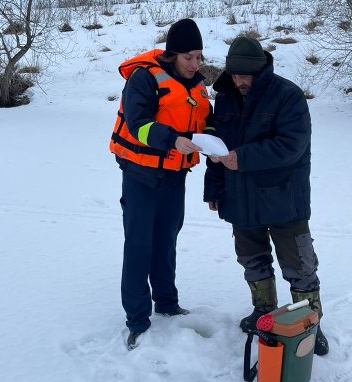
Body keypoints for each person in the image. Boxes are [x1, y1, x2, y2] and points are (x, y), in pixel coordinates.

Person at [203, 37, 329, 355]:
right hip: (239, 198)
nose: (239, 80)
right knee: (252, 260)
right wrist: (214, 188)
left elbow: (291, 146)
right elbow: (216, 147)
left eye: (245, 75)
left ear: (261, 70)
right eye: (234, 74)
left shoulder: (288, 96)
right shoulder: (226, 97)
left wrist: (241, 158)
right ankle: (263, 311)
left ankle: (309, 325)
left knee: (299, 265)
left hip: (284, 199)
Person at [110, 18, 213, 350]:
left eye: (199, 57)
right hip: (141, 176)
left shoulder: (196, 85)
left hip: (175, 176)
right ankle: (138, 321)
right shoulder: (144, 79)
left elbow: (205, 120)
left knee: (166, 241)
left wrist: (210, 138)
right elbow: (138, 124)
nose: (195, 64)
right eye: (189, 57)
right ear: (173, 55)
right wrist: (172, 140)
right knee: (140, 245)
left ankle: (167, 304)